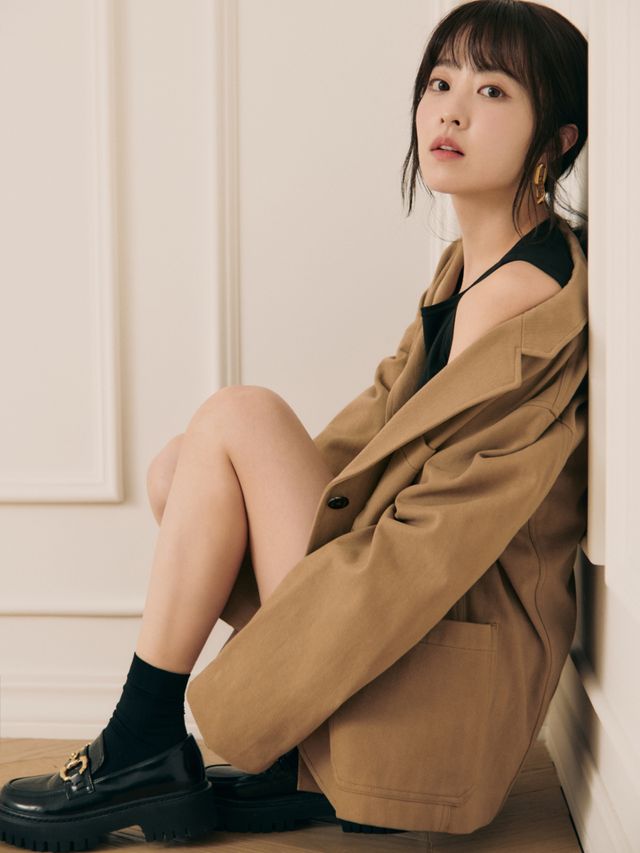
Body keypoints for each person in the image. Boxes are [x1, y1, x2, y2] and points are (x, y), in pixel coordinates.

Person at [0, 0, 588, 847]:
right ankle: (284, 760)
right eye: (440, 81)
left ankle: (141, 740)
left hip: (442, 657)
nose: (452, 110)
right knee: (184, 469)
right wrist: (250, 493)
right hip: (420, 608)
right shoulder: (471, 266)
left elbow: (442, 541)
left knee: (238, 417)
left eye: (493, 91)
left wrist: (279, 619)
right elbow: (375, 429)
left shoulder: (519, 300)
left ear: (558, 141)